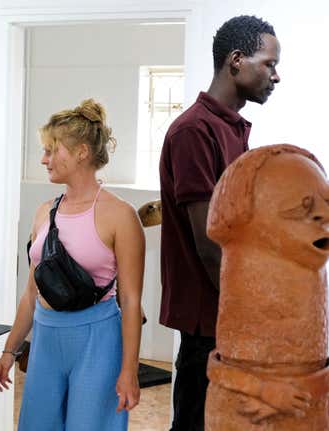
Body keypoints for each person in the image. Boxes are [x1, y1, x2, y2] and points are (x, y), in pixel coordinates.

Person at [158, 15, 281, 431]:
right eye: (269, 64)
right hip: (210, 326)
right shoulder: (194, 131)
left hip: (229, 322)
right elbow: (210, 245)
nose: (275, 76)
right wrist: (252, 315)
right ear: (236, 61)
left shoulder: (231, 128)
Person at [0, 99, 145, 430]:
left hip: (98, 341)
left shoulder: (120, 216)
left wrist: (129, 370)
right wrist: (10, 350)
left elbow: (131, 301)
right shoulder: (44, 212)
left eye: (52, 150)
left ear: (82, 152)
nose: (44, 159)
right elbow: (32, 291)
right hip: (46, 339)